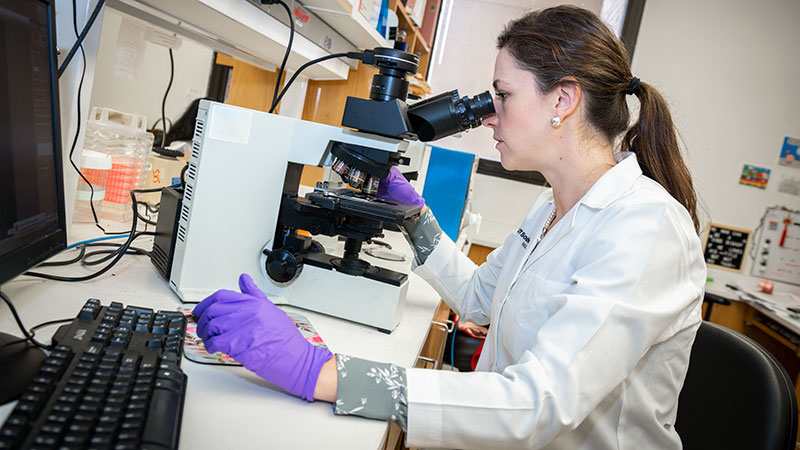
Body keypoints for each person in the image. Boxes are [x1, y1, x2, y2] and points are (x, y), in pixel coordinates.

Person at [192, 5, 707, 449]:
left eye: (501, 96)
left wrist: (322, 373)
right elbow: (481, 296)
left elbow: (538, 403)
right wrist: (414, 218)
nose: (488, 116)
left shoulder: (645, 228)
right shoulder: (552, 206)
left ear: (562, 101)